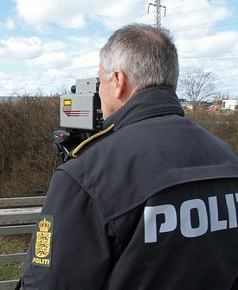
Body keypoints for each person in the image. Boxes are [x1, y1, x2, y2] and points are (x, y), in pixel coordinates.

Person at [19, 23, 238, 289]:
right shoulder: (227, 158)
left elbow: (47, 284)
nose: (99, 92)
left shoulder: (87, 174)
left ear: (119, 81)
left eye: (102, 81)